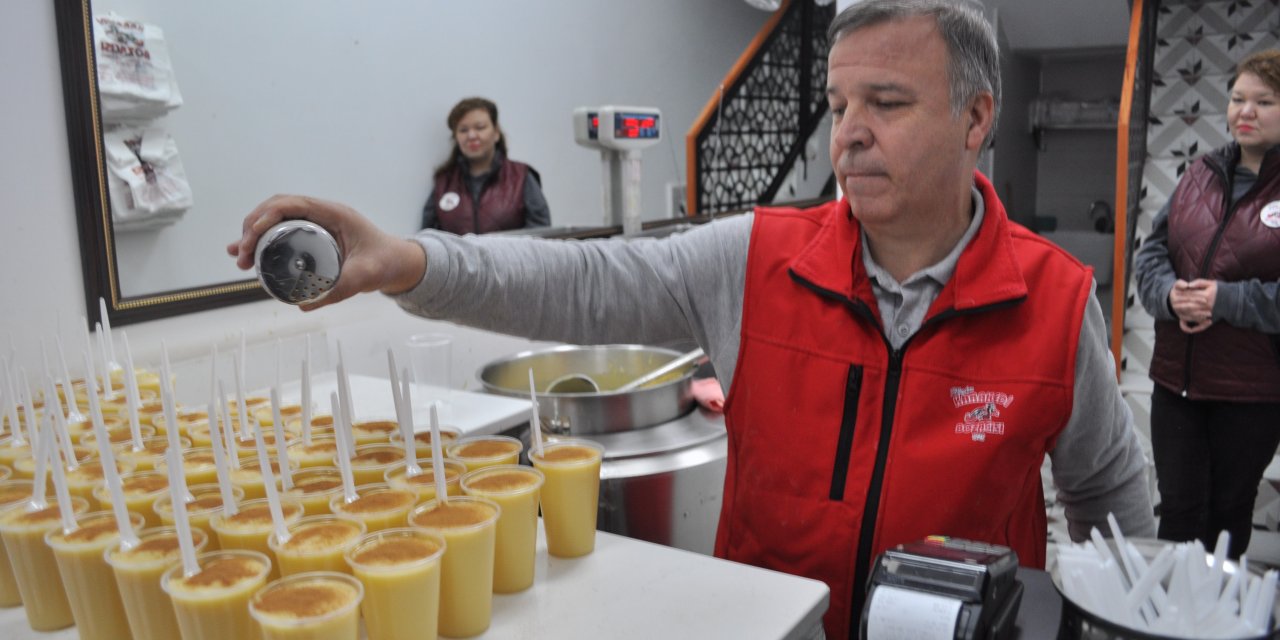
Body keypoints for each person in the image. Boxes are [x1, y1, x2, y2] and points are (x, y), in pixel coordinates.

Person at [229, 2, 1154, 636]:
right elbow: (583, 282)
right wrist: (410, 260)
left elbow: (1113, 498)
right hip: (770, 629)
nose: (848, 134)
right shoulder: (755, 257)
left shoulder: (1055, 299)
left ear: (976, 117)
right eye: (838, 105)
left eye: (888, 103)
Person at [1133, 50, 1280, 560]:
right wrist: (1170, 296)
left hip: (1252, 391)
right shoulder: (1200, 172)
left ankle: (1216, 625)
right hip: (1176, 380)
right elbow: (1152, 253)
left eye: (1264, 101)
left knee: (1227, 513)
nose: (1246, 110)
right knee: (1177, 512)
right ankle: (1171, 620)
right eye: (1238, 98)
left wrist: (1226, 300)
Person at [420, 97, 551, 234]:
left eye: (480, 127)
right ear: (456, 137)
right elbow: (428, 240)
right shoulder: (443, 183)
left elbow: (541, 235)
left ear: (496, 133)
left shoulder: (521, 177)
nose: (471, 135)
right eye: (463, 130)